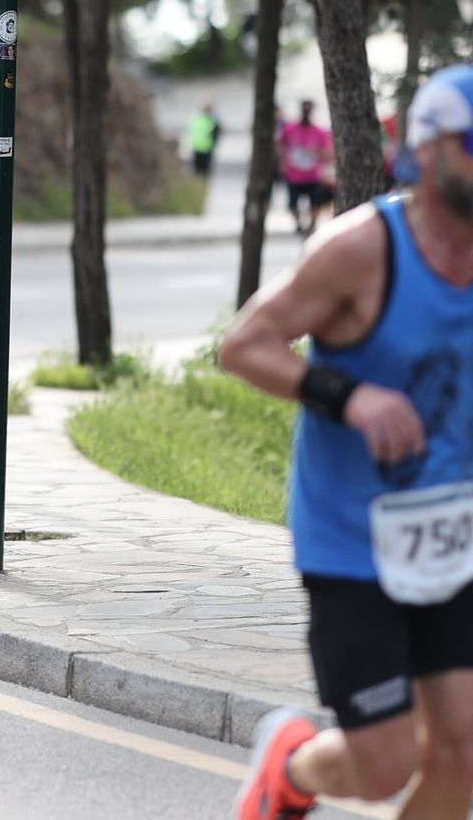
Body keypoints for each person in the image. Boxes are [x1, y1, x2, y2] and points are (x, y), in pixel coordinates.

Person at [219, 63, 473, 820]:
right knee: (384, 763)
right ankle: (291, 767)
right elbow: (245, 344)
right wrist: (349, 394)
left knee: (462, 754)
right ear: (425, 150)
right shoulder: (362, 248)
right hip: (351, 540)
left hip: (453, 534)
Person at [277, 99, 334, 236]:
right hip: (293, 175)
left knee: (316, 202)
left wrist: (315, 153)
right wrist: (282, 161)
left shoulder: (319, 131)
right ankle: (298, 224)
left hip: (313, 175)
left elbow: (328, 153)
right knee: (292, 204)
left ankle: (312, 225)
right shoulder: (290, 129)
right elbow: (279, 143)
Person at [187, 99, 222, 177]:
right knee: (203, 172)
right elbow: (217, 134)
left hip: (198, 148)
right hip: (205, 149)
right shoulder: (212, 120)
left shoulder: (196, 119)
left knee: (198, 172)